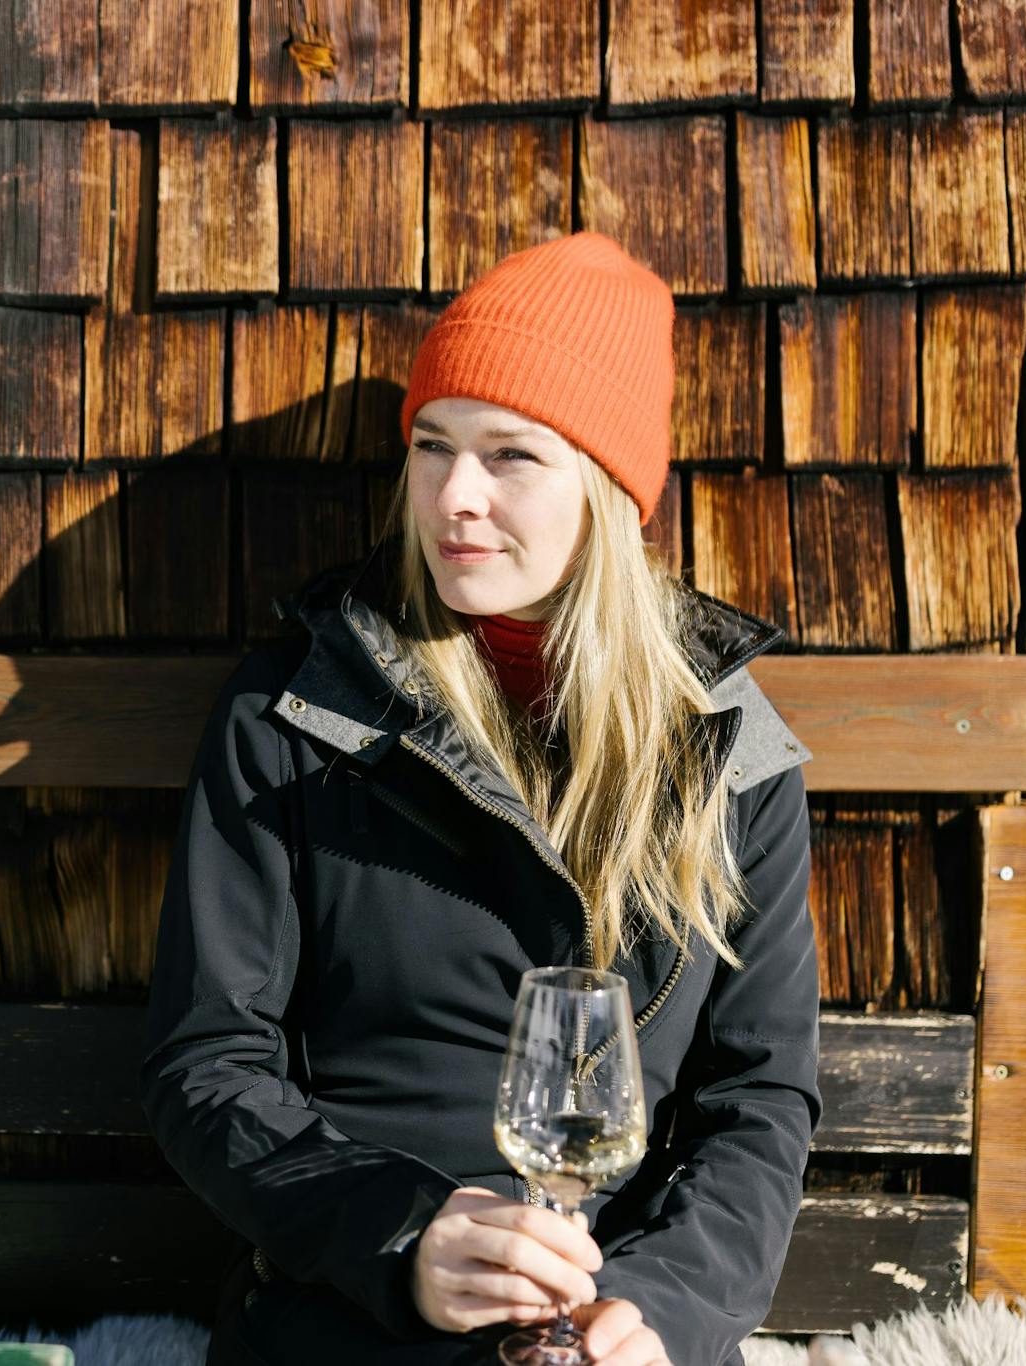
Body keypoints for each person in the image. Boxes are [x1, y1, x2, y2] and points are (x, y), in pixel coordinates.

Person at [138, 232, 821, 1366]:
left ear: (605, 490)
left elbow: (756, 1097)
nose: (453, 496)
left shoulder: (725, 747)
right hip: (353, 1305)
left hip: (619, 1315)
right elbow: (205, 1059)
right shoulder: (296, 715)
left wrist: (659, 1315)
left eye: (509, 455)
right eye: (430, 445)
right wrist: (401, 1232)